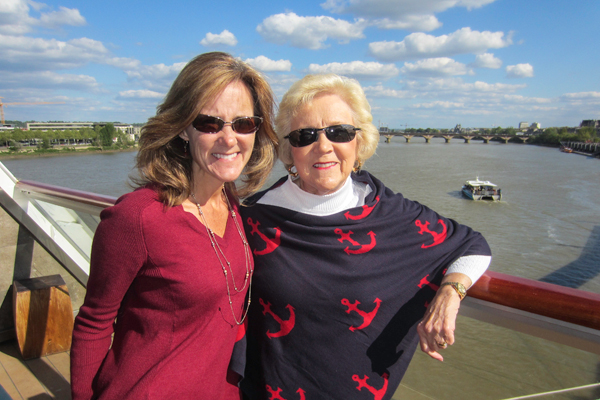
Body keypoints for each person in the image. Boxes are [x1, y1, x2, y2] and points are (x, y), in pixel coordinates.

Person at [236, 74, 492, 399]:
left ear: (359, 141)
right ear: (289, 148)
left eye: (339, 132)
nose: (324, 146)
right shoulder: (252, 219)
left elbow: (473, 245)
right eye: (305, 135)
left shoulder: (391, 214)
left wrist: (449, 294)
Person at [70, 52, 278, 400]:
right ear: (183, 127)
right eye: (210, 123)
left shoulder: (230, 202)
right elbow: (94, 322)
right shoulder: (137, 218)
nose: (229, 139)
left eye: (243, 123)